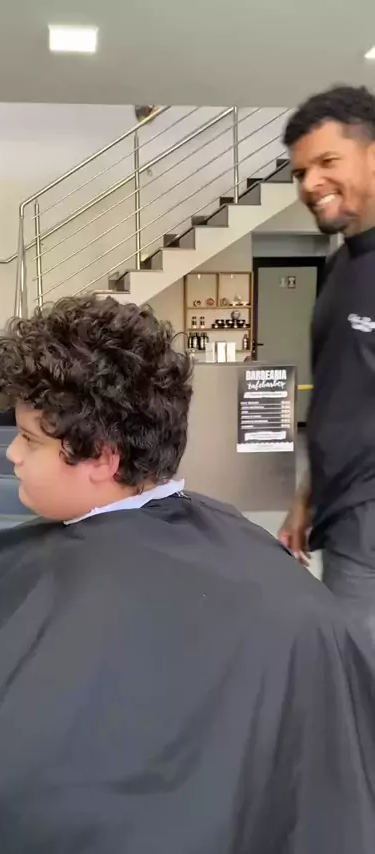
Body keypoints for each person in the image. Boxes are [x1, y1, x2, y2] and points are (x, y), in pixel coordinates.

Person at [0, 294, 375, 853]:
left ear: (102, 458)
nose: (13, 457)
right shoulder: (216, 534)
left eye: (30, 440)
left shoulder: (259, 615)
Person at [279, 85, 375, 644]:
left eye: (327, 162)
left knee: (354, 672)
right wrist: (304, 499)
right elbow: (338, 395)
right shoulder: (341, 268)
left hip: (368, 518)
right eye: (300, 172)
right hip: (341, 514)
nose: (310, 183)